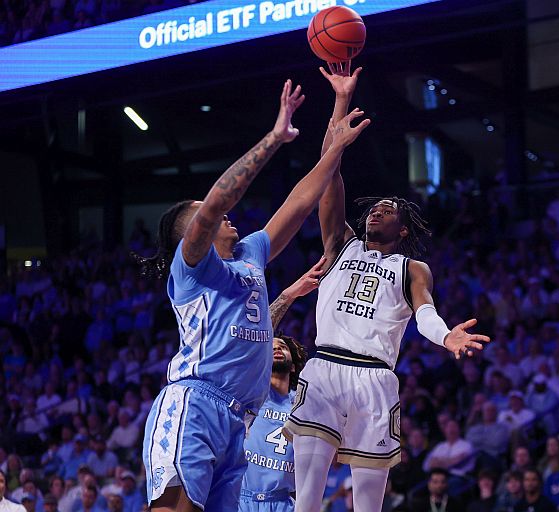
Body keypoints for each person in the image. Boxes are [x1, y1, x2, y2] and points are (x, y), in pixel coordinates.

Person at [138, 80, 370, 511]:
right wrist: (274, 138)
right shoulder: (192, 268)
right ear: (194, 233)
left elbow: (302, 199)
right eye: (209, 215)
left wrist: (336, 141)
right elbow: (214, 203)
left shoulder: (249, 255)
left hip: (237, 417)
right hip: (195, 403)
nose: (224, 214)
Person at [283, 67, 490, 512]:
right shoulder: (340, 244)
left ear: (403, 227)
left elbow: (425, 313)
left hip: (375, 380)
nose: (376, 212)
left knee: (369, 505)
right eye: (374, 208)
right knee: (306, 500)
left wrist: (446, 335)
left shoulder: (412, 267)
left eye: (387, 209)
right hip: (324, 370)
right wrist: (339, 103)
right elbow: (327, 170)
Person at [239, 263, 321, 512]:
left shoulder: (304, 403)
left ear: (294, 366)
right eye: (271, 346)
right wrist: (289, 295)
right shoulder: (252, 393)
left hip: (284, 502)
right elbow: (254, 334)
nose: (277, 348)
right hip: (242, 499)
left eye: (283, 347)